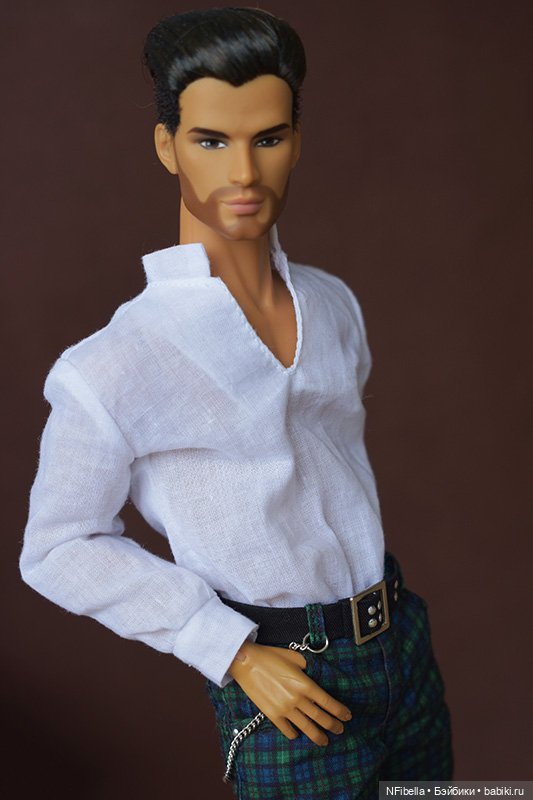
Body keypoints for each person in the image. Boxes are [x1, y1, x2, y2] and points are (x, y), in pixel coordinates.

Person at [20, 8, 453, 798]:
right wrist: (228, 649)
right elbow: (57, 546)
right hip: (287, 679)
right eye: (211, 140)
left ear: (297, 141)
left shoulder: (330, 305)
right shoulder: (113, 363)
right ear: (166, 146)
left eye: (269, 138)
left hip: (399, 643)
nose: (245, 173)